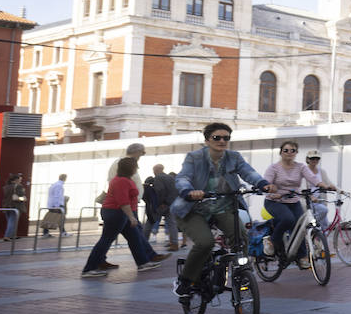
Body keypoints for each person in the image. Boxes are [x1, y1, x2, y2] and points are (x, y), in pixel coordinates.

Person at [173, 123, 269, 299]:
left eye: (226, 138)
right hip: (193, 209)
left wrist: (263, 184)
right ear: (207, 140)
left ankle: (242, 272)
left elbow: (248, 172)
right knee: (205, 243)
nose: (222, 141)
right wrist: (189, 191)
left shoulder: (234, 157)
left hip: (222, 207)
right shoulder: (194, 157)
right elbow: (183, 177)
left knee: (241, 236)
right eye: (217, 137)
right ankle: (185, 280)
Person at [81, 157, 167, 277]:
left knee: (135, 238)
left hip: (121, 213)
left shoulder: (125, 179)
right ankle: (89, 269)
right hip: (116, 213)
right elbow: (122, 201)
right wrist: (131, 217)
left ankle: (143, 262)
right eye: (135, 167)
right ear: (130, 168)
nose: (137, 169)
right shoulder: (121, 181)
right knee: (106, 240)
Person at [264, 140, 336, 268]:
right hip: (275, 201)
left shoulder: (301, 167)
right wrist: (270, 188)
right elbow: (266, 183)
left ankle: (301, 256)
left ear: (296, 153)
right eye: (286, 150)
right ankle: (272, 240)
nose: (289, 153)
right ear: (281, 152)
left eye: (293, 150)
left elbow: (313, 178)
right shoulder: (274, 168)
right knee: (288, 219)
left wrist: (324, 185)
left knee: (302, 226)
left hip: (293, 200)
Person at [141, 164, 179, 251]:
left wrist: (161, 203)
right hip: (171, 204)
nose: (153, 172)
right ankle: (174, 244)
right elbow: (175, 191)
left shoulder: (158, 178)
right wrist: (169, 202)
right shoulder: (171, 178)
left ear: (156, 170)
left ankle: (143, 243)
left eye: (153, 170)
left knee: (149, 223)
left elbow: (159, 191)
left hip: (161, 205)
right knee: (172, 224)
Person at [304, 150, 334, 228]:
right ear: (308, 159)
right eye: (312, 158)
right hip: (308, 201)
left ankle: (319, 238)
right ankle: (309, 226)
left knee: (325, 225)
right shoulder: (304, 171)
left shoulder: (322, 171)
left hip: (320, 200)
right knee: (324, 211)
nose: (315, 160)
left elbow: (328, 182)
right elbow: (303, 187)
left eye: (317, 159)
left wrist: (340, 191)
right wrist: (311, 196)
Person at [1, 173, 26, 240]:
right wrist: (23, 198)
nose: (20, 181)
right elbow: (23, 197)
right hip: (15, 206)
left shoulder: (6, 187)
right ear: (15, 180)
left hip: (6, 206)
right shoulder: (19, 186)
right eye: (19, 179)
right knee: (12, 222)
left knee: (10, 221)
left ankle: (12, 235)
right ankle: (7, 236)